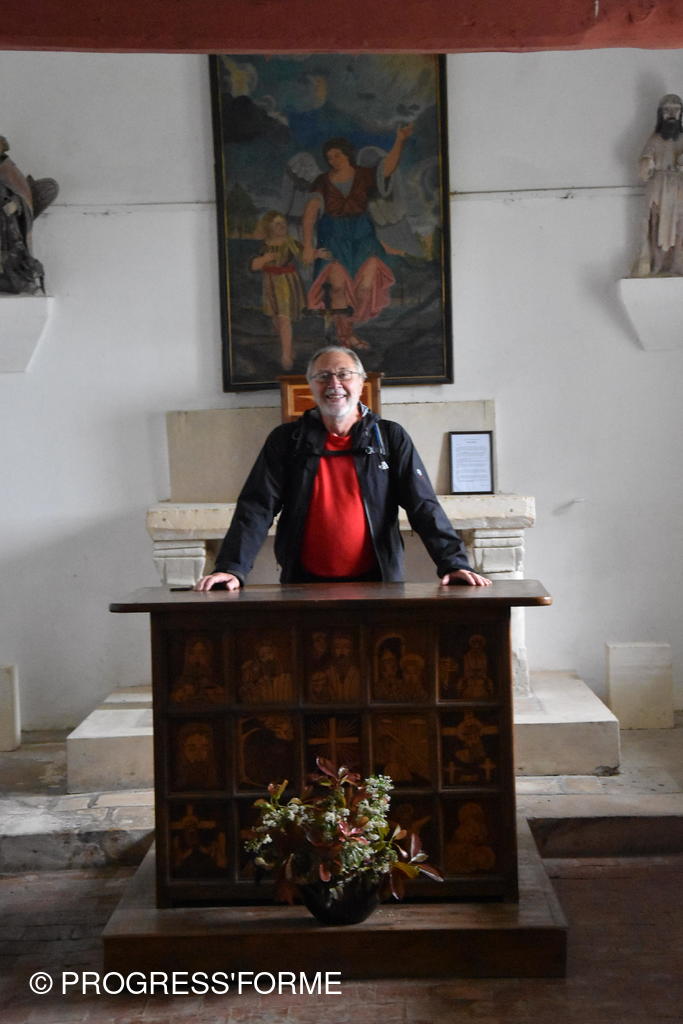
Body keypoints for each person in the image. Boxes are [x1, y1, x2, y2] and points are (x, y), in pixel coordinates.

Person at [194, 344, 491, 592]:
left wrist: (454, 563)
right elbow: (256, 507)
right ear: (311, 386)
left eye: (344, 374)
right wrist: (231, 568)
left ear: (361, 383)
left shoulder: (390, 437)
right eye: (323, 376)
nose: (334, 384)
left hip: (379, 584)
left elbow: (423, 505)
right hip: (303, 585)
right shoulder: (286, 440)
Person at [301, 129, 413, 350]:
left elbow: (387, 168)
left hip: (363, 237)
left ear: (347, 155)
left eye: (337, 155)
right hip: (333, 238)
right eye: (329, 157)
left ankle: (349, 329)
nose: (333, 160)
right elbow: (310, 214)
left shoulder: (364, 175)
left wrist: (400, 140)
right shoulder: (322, 181)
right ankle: (345, 337)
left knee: (364, 288)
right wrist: (307, 246)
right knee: (338, 289)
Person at [250, 210, 329, 370]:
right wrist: (265, 259)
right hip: (270, 283)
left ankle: (285, 355)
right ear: (268, 227)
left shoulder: (290, 242)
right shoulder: (264, 245)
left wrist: (316, 254)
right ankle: (288, 347)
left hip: (286, 282)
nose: (282, 226)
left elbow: (304, 257)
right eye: (277, 224)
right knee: (276, 318)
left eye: (283, 223)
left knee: (284, 318)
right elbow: (254, 266)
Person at [632, 94, 683, 276]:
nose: (671, 114)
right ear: (660, 114)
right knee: (656, 225)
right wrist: (647, 163)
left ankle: (678, 265)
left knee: (679, 227)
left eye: (676, 110)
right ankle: (657, 265)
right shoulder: (654, 140)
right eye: (667, 110)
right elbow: (643, 168)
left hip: (679, 191)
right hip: (659, 189)